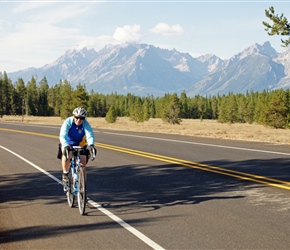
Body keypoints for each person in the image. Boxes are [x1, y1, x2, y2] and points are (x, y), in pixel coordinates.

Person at [59, 107, 97, 190]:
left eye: (81, 118)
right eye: (77, 117)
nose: (79, 120)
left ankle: (82, 189)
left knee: (83, 165)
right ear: (74, 116)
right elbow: (63, 134)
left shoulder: (85, 124)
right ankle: (65, 174)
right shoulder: (68, 121)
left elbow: (89, 134)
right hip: (68, 143)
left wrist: (91, 145)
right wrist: (65, 145)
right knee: (67, 154)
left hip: (80, 144)